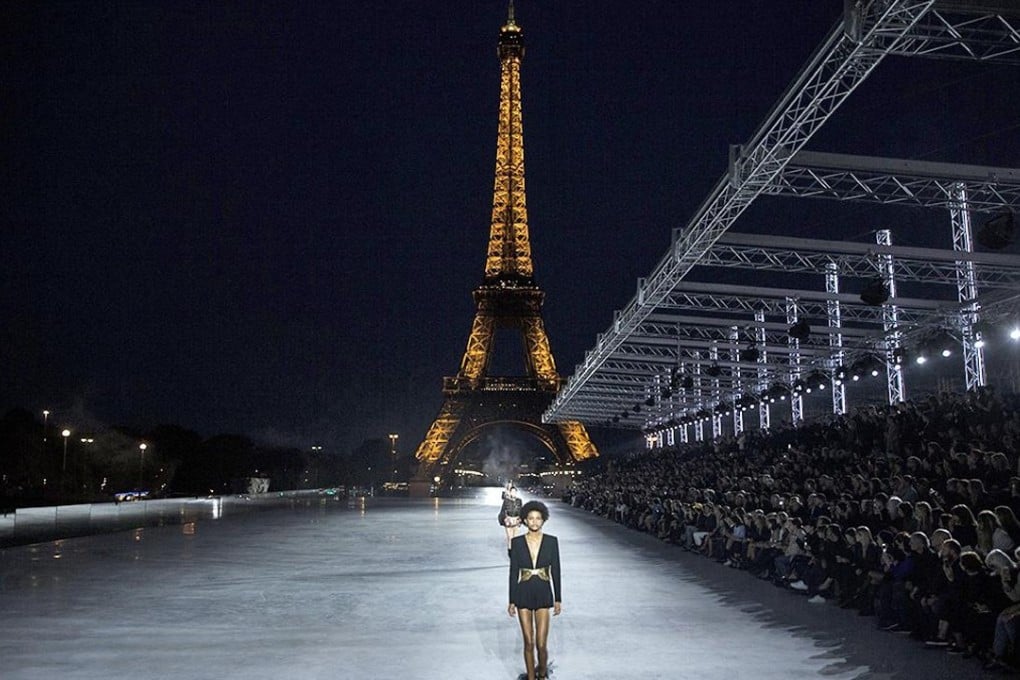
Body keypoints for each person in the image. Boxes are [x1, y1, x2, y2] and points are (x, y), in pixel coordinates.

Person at [508, 500, 561, 680]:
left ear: (543, 520)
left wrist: (558, 599)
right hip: (523, 592)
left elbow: (556, 571)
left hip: (544, 593)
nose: (535, 522)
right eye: (531, 518)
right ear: (524, 520)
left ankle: (542, 673)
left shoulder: (552, 542)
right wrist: (511, 600)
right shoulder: (516, 542)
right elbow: (513, 572)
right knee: (528, 642)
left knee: (541, 644)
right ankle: (531, 677)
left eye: (538, 518)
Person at [499, 483, 523, 553]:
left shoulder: (519, 501)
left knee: (515, 538)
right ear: (510, 492)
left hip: (516, 520)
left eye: (515, 492)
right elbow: (502, 511)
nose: (514, 493)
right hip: (508, 521)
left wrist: (520, 520)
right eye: (512, 492)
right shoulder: (506, 501)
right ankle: (510, 552)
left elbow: (521, 511)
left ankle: (514, 553)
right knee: (510, 538)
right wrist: (505, 519)